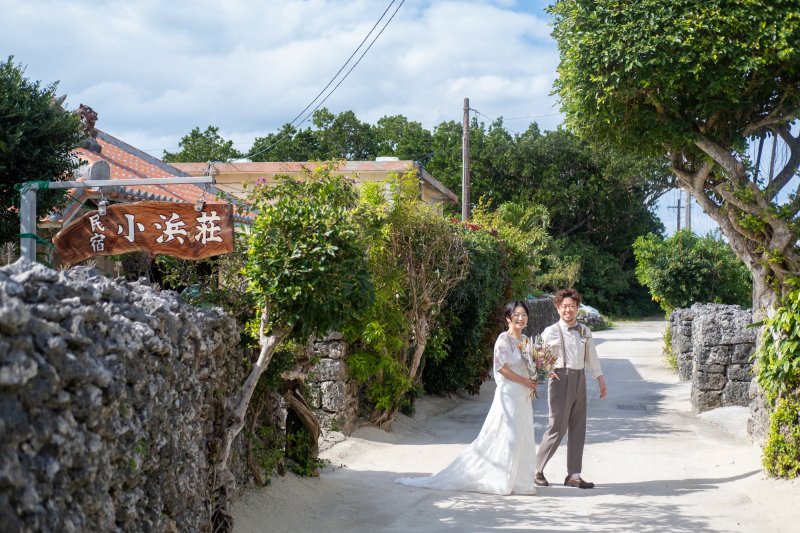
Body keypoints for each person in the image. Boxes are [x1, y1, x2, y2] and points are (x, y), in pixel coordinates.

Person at [395, 300, 539, 495]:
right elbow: (501, 368)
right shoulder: (504, 340)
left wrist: (534, 377)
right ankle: (502, 479)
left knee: (523, 434)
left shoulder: (527, 341)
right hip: (509, 395)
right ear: (508, 318)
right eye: (517, 315)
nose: (521, 318)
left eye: (524, 314)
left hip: (524, 395)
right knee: (509, 435)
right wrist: (523, 380)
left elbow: (530, 366)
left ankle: (521, 482)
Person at [534, 288, 607, 489]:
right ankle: (537, 469)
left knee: (578, 427)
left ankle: (573, 475)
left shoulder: (585, 331)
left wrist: (600, 379)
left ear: (577, 308)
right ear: (558, 308)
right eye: (564, 306)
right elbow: (539, 355)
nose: (568, 310)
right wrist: (546, 370)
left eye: (572, 306)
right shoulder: (549, 331)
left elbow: (591, 357)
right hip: (560, 378)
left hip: (580, 377)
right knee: (557, 426)